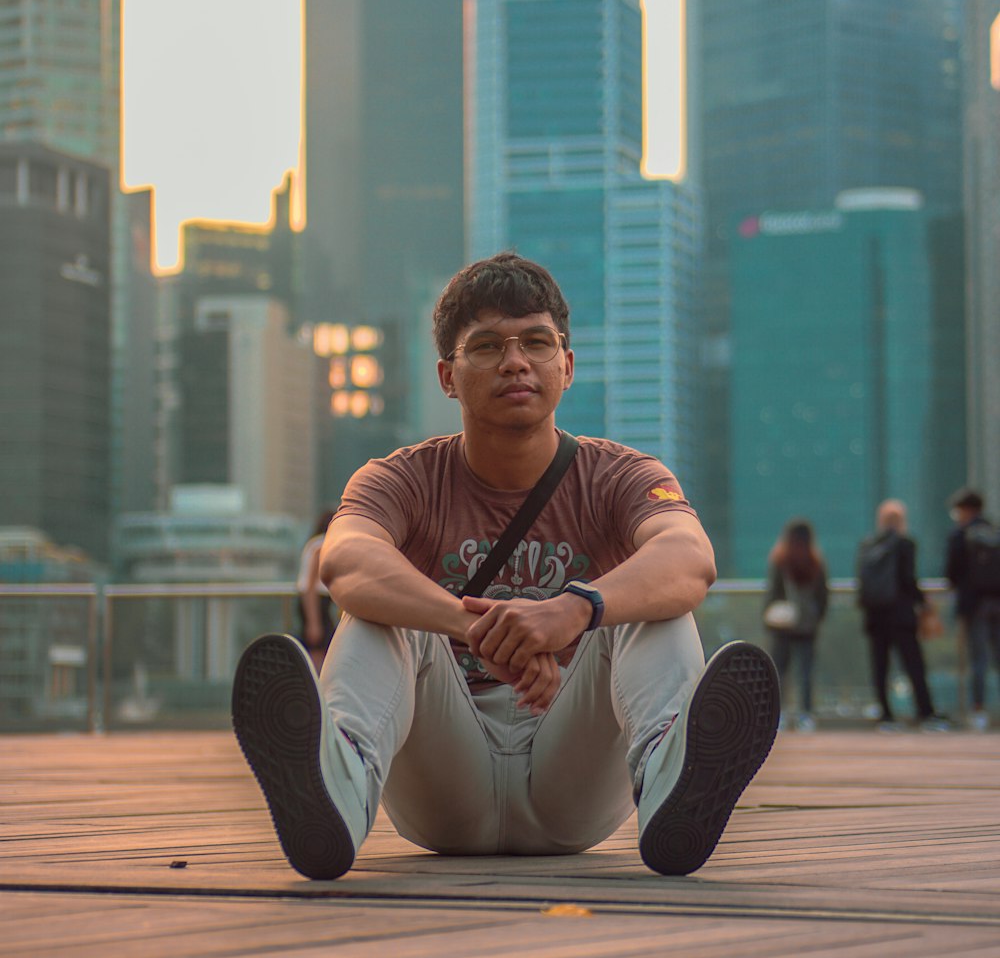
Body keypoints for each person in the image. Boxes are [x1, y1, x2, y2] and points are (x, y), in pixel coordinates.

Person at [232, 253, 780, 880]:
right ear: (447, 375)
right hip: (443, 786)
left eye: (537, 343)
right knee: (377, 611)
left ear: (566, 366)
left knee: (651, 604)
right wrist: (477, 630)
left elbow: (690, 557)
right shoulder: (402, 478)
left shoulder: (621, 474)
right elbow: (347, 561)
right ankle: (335, 788)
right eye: (486, 346)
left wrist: (571, 613)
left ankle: (671, 785)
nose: (515, 361)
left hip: (570, 778)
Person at [857, 500, 942, 729]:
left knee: (880, 666)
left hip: (875, 616)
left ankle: (885, 715)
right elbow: (907, 577)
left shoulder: (868, 544)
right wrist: (923, 601)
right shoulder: (905, 544)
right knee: (913, 664)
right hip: (900, 614)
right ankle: (925, 712)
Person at [763, 520, 828, 731]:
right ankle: (806, 714)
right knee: (806, 672)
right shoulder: (815, 562)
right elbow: (823, 594)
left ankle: (779, 715)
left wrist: (768, 617)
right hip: (808, 625)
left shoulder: (780, 560)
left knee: (780, 672)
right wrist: (817, 617)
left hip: (783, 625)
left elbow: (772, 592)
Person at [945, 487, 1000, 731]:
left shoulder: (960, 535)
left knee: (978, 659)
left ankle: (978, 710)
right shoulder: (994, 531)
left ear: (965, 510)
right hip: (997, 602)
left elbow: (951, 573)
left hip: (974, 605)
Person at [297, 509, 337, 672]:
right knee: (318, 650)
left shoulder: (313, 543)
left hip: (316, 603)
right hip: (316, 603)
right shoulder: (321, 546)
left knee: (321, 648)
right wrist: (314, 622)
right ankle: (317, 689)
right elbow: (311, 587)